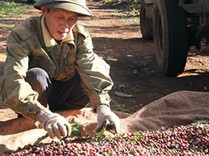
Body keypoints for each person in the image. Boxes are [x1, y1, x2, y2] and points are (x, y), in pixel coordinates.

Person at [0, 0, 120, 139]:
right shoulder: (22, 35)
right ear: (44, 11)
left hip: (67, 95)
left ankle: (66, 116)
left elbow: (90, 68)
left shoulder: (80, 35)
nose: (66, 25)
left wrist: (103, 107)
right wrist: (44, 115)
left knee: (100, 65)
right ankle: (37, 119)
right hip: (38, 99)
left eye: (72, 18)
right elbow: (13, 80)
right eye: (59, 17)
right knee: (36, 76)